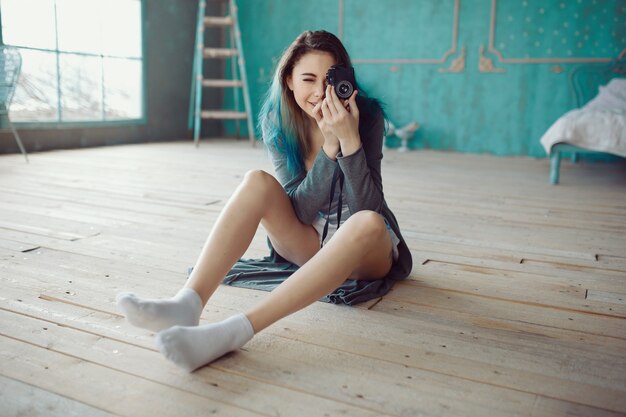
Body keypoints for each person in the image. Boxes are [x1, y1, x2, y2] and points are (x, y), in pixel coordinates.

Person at [116, 30, 412, 372]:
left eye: (328, 79)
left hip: (366, 249)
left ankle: (235, 330)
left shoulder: (366, 116)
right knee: (256, 181)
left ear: (344, 79)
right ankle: (187, 301)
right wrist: (328, 151)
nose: (319, 92)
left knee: (368, 223)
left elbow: (368, 206)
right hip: (308, 237)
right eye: (308, 79)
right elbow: (299, 211)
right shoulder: (279, 120)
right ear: (288, 80)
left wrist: (349, 140)